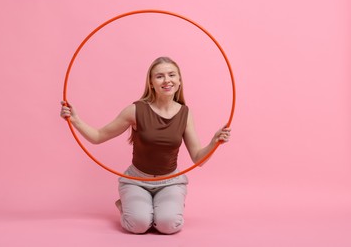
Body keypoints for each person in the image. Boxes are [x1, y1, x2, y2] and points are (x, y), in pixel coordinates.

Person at [60, 56, 231, 234]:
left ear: (179, 80)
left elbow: (198, 159)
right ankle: (128, 206)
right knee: (139, 225)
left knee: (169, 225)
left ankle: (166, 207)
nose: (167, 80)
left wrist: (214, 142)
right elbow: (98, 136)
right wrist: (75, 120)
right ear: (151, 83)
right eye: (159, 76)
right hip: (137, 180)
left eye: (172, 75)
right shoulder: (135, 110)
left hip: (170, 182)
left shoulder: (185, 114)